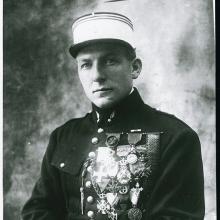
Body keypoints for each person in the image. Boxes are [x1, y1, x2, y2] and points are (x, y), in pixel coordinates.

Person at [21, 12, 205, 220]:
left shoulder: (175, 137)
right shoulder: (63, 136)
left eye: (110, 61)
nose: (97, 75)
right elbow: (35, 212)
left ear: (135, 68)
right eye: (86, 64)